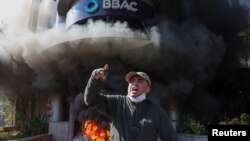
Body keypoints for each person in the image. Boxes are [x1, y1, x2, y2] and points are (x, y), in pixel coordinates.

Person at [84, 64, 177, 141]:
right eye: (132, 81)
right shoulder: (117, 102)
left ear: (148, 89)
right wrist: (95, 80)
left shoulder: (157, 112)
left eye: (140, 81)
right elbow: (91, 100)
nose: (135, 83)